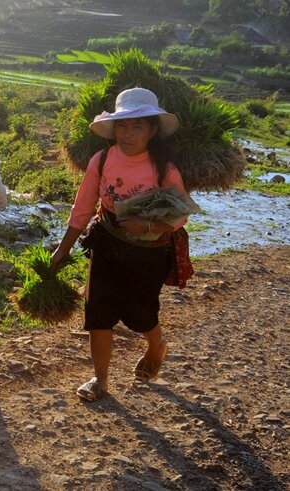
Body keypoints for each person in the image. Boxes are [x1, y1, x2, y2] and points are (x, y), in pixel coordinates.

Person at [51, 88, 187, 401]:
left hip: (148, 252)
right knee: (98, 312)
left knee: (140, 316)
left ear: (153, 130)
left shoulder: (164, 169)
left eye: (137, 125)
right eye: (122, 126)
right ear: (113, 129)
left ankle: (156, 345)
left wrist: (147, 225)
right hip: (107, 243)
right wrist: (63, 248)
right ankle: (100, 380)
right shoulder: (101, 161)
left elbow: (179, 218)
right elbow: (83, 207)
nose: (127, 133)